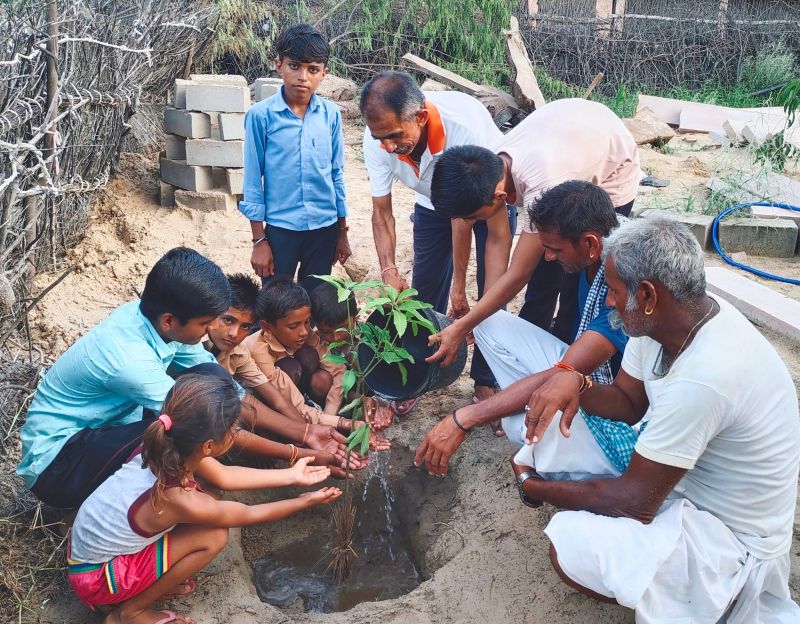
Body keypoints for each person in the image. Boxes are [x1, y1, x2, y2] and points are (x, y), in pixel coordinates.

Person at [425, 216, 800, 622]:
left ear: (648, 295)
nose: (608, 302)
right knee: (543, 441)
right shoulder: (663, 324)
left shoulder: (707, 376)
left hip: (730, 538)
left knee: (570, 543)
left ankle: (707, 602)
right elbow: (627, 402)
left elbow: (634, 503)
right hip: (681, 481)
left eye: (615, 291)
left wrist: (534, 486)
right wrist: (578, 386)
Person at [67, 374, 341, 624]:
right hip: (97, 579)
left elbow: (225, 476)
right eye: (234, 430)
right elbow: (245, 515)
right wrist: (304, 501)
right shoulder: (175, 498)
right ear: (209, 445)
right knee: (212, 536)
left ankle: (140, 586)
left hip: (90, 556)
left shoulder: (169, 447)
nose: (236, 434)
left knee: (209, 493)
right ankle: (130, 612)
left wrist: (292, 476)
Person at [415, 181, 636, 478]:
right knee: (488, 322)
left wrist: (464, 418)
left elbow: (566, 371)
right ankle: (533, 411)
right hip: (583, 374)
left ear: (591, 244)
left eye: (555, 249)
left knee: (517, 428)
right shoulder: (607, 240)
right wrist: (462, 327)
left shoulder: (625, 279)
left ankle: (579, 457)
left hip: (618, 402)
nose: (548, 257)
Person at [428, 98, 641, 368]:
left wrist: (463, 326)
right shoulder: (488, 169)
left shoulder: (542, 184)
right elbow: (497, 241)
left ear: (499, 196)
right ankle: (545, 360)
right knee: (547, 271)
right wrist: (485, 315)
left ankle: (575, 363)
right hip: (572, 135)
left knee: (581, 284)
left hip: (613, 168)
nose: (468, 223)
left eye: (471, 219)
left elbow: (518, 274)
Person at [17, 248, 229, 509]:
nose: (213, 329)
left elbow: (216, 380)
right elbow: (196, 417)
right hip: (57, 468)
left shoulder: (154, 319)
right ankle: (95, 510)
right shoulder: (129, 359)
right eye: (206, 322)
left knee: (212, 377)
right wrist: (289, 452)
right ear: (169, 321)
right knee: (173, 428)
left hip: (101, 432)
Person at [360, 70, 512, 407]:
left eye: (394, 135)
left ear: (421, 117)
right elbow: (382, 212)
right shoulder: (378, 141)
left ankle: (486, 382)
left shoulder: (463, 131)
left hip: (485, 196)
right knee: (424, 289)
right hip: (431, 201)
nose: (386, 146)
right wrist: (388, 271)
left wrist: (460, 290)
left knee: (492, 291)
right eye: (378, 137)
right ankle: (416, 375)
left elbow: (463, 220)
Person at [204, 274, 364, 474]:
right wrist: (320, 435)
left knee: (308, 360)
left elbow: (282, 399)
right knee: (246, 413)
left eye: (307, 322)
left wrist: (319, 430)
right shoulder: (246, 349)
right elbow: (254, 402)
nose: (234, 333)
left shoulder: (238, 352)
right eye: (228, 320)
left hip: (272, 402)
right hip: (228, 412)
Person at [240, 23, 350, 293]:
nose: (303, 76)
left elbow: (336, 174)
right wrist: (259, 241)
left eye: (312, 69)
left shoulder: (331, 115)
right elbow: (253, 180)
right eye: (294, 66)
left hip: (324, 230)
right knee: (276, 304)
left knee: (314, 303)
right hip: (281, 230)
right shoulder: (261, 116)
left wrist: (342, 233)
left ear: (324, 73)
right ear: (279, 65)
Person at [310, 282, 394, 431]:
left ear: (355, 317)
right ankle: (331, 418)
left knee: (358, 357)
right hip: (334, 394)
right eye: (326, 331)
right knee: (319, 381)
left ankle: (359, 411)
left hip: (361, 394)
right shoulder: (317, 338)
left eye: (342, 328)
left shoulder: (367, 339)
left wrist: (375, 402)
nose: (335, 337)